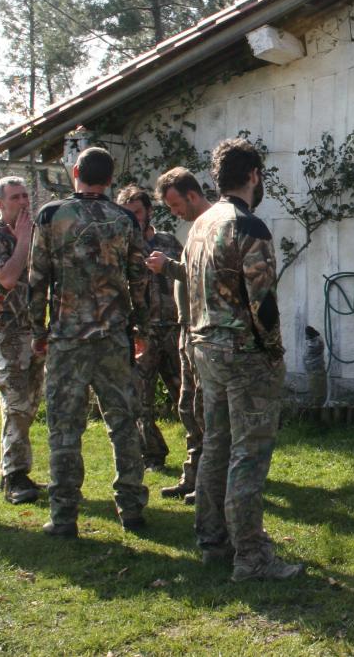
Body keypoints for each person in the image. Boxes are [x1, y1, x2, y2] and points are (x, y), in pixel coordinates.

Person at [184, 138, 301, 581]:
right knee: (248, 453)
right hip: (243, 355)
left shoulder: (201, 224)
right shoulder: (247, 226)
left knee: (216, 443)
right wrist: (273, 351)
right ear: (254, 175)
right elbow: (263, 304)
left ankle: (213, 539)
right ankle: (250, 555)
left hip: (205, 349)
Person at [29, 147, 150, 537]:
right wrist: (141, 329)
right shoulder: (125, 220)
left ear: (75, 171)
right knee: (124, 423)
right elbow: (140, 279)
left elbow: (37, 279)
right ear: (110, 179)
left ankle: (64, 516)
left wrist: (38, 330)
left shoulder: (52, 216)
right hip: (113, 337)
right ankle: (131, 507)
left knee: (64, 428)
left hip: (68, 338)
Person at [0, 176, 46, 504]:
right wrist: (22, 240)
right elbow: (6, 278)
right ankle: (13, 475)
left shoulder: (37, 233)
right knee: (16, 400)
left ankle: (20, 469)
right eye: (15, 197)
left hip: (34, 327)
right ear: (0, 203)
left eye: (25, 196)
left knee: (31, 402)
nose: (23, 202)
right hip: (7, 329)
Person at [146, 167, 211, 502]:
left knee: (202, 410)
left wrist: (168, 267)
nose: (174, 213)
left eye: (175, 205)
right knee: (187, 408)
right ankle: (192, 476)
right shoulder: (195, 228)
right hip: (186, 330)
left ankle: (208, 484)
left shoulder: (212, 226)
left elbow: (206, 276)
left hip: (203, 334)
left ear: (192, 194)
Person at [116, 184, 183, 471]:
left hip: (173, 329)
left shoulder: (168, 242)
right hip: (141, 334)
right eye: (128, 213)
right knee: (140, 400)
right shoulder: (119, 247)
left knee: (187, 395)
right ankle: (153, 454)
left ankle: (204, 451)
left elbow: (187, 276)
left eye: (138, 212)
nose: (135, 218)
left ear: (149, 212)